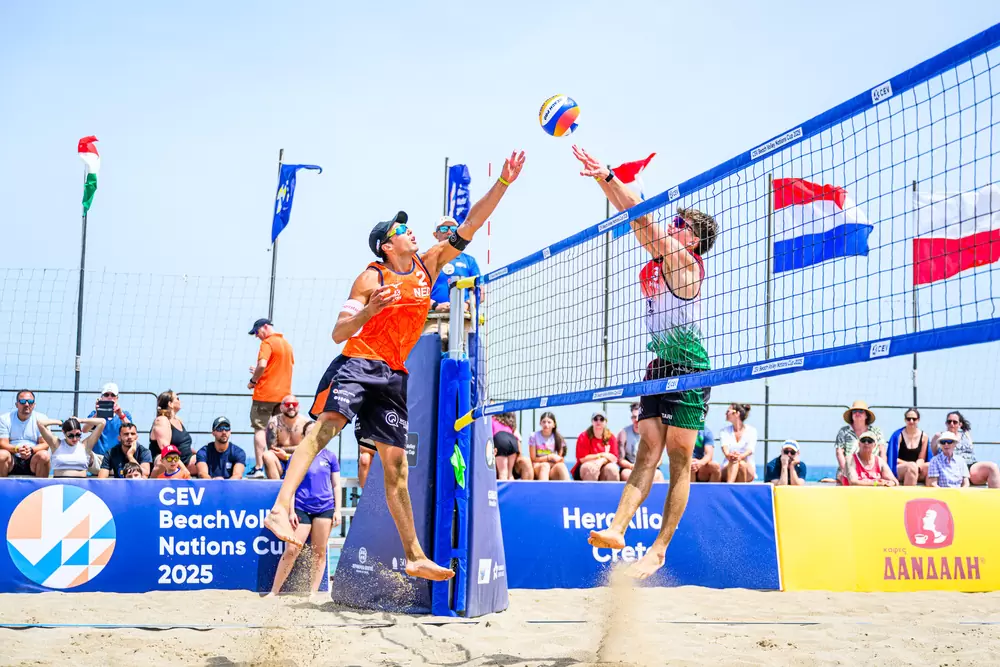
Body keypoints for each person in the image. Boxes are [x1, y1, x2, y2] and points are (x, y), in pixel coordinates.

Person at [263, 149, 525, 583]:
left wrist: (503, 183)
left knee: (397, 466)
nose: (410, 230)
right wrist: (369, 312)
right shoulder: (372, 277)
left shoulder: (429, 264)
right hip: (358, 363)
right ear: (387, 245)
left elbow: (471, 225)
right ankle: (280, 507)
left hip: (392, 375)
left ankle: (415, 556)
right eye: (401, 229)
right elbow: (338, 332)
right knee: (323, 431)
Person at [573, 145, 719, 579]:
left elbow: (643, 218)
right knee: (645, 453)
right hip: (659, 365)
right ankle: (617, 529)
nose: (673, 225)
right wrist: (604, 179)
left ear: (693, 240)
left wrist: (609, 177)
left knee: (678, 460)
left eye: (680, 225)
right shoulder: (661, 258)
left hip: (690, 368)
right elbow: (636, 217)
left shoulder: (685, 263)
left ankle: (659, 549)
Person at [268, 447, 342, 596]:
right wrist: (291, 511)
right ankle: (274, 591)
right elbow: (290, 486)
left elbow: (336, 485)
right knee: (292, 550)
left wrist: (338, 510)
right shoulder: (299, 455)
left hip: (325, 507)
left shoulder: (330, 456)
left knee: (319, 552)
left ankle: (312, 593)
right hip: (301, 507)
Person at [247, 318, 295, 479]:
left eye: (257, 332)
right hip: (284, 396)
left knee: (260, 428)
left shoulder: (267, 343)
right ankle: (279, 465)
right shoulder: (287, 345)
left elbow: (262, 365)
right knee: (279, 431)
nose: (257, 336)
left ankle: (259, 467)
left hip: (265, 394)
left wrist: (253, 381)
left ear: (265, 327)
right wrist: (260, 371)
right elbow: (277, 368)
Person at [930, 411, 1000, 488]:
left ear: (960, 424)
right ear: (946, 423)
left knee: (993, 467)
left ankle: (996, 495)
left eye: (955, 422)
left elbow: (971, 451)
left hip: (970, 465)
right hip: (949, 467)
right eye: (949, 421)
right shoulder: (939, 436)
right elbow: (934, 453)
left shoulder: (966, 435)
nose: (951, 424)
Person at [428, 215, 481, 314]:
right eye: (444, 229)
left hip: (463, 317)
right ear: (436, 235)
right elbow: (416, 293)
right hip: (434, 317)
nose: (449, 232)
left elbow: (480, 293)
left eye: (453, 229)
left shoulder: (469, 261)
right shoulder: (427, 259)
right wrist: (436, 306)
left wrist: (466, 305)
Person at [0, 390, 51, 478]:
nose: (27, 404)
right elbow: (2, 444)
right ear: (16, 404)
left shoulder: (42, 418)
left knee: (44, 455)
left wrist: (30, 450)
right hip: (12, 458)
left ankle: (41, 486)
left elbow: (45, 444)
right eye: (23, 401)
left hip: (33, 458)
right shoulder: (5, 418)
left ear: (34, 404)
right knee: (1, 454)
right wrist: (17, 449)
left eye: (30, 401)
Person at [36, 416, 105, 478]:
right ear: (64, 432)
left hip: (81, 485)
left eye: (78, 435)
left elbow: (102, 422)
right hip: (60, 484)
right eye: (71, 435)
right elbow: (40, 423)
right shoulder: (56, 444)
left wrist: (80, 420)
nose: (74, 439)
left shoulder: (85, 445)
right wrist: (61, 422)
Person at [835, 400, 885, 484]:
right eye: (854, 411)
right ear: (851, 415)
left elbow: (882, 451)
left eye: (861, 411)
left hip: (872, 471)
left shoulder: (876, 431)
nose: (857, 413)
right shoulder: (843, 431)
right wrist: (846, 472)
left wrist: (882, 471)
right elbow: (839, 452)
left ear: (866, 415)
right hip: (849, 469)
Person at [261, 395, 310, 480]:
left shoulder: (307, 423)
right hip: (280, 463)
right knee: (267, 455)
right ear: (281, 407)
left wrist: (286, 454)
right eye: (287, 404)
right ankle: (276, 486)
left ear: (298, 406)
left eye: (294, 404)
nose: (291, 407)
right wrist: (297, 448)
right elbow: (273, 449)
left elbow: (308, 448)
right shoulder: (274, 423)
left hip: (299, 461)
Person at [150, 390, 196, 476]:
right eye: (177, 398)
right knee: (164, 461)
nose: (180, 401)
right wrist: (183, 469)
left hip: (186, 459)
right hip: (169, 459)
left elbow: (183, 445)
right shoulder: (162, 420)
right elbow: (165, 448)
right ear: (170, 404)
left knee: (206, 459)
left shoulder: (178, 420)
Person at [84, 382, 132, 459]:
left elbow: (131, 430)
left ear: (117, 398)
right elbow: (85, 430)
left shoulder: (125, 414)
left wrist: (121, 415)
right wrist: (97, 413)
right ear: (101, 398)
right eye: (106, 395)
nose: (110, 397)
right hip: (98, 456)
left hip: (117, 457)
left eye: (113, 395)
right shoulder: (94, 414)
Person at [618, 402, 664, 483]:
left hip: (649, 467)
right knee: (626, 475)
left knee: (658, 475)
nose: (636, 420)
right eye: (634, 417)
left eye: (639, 416)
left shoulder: (653, 433)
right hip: (630, 467)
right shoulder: (624, 433)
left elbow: (659, 459)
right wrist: (631, 466)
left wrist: (648, 468)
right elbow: (620, 459)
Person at [573, 411, 620, 481]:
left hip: (604, 466)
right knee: (590, 468)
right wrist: (601, 455)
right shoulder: (584, 436)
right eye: (595, 419)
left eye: (601, 419)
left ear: (605, 422)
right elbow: (582, 459)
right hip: (585, 467)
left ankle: (611, 489)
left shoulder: (611, 437)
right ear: (592, 422)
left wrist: (601, 461)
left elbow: (614, 458)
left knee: (612, 469)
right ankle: (590, 488)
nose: (598, 421)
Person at [887, 408, 928, 486]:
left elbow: (921, 458)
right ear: (905, 420)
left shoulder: (924, 436)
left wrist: (917, 466)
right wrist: (911, 465)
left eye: (914, 419)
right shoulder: (898, 435)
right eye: (908, 419)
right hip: (899, 468)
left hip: (917, 467)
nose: (911, 421)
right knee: (911, 467)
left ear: (918, 420)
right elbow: (893, 458)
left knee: (930, 466)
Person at [719, 403, 757, 483]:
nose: (725, 413)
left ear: (737, 413)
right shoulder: (724, 431)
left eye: (728, 411)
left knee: (741, 464)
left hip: (747, 467)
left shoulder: (752, 431)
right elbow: (724, 447)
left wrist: (739, 457)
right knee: (738, 464)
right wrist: (730, 455)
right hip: (728, 465)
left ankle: (729, 486)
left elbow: (750, 450)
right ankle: (735, 488)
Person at [528, 411, 570, 481]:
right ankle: (543, 488)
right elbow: (533, 458)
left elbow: (560, 460)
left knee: (561, 466)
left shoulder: (558, 438)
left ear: (554, 425)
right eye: (544, 422)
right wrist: (549, 457)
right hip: (538, 466)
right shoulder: (534, 436)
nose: (546, 424)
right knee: (545, 466)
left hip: (552, 467)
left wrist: (553, 460)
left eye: (549, 422)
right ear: (540, 423)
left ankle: (568, 487)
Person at [492, 413, 521, 481]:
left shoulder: (493, 420)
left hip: (500, 438)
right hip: (513, 440)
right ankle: (512, 488)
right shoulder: (510, 424)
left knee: (503, 473)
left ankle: (503, 488)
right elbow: (518, 438)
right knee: (510, 474)